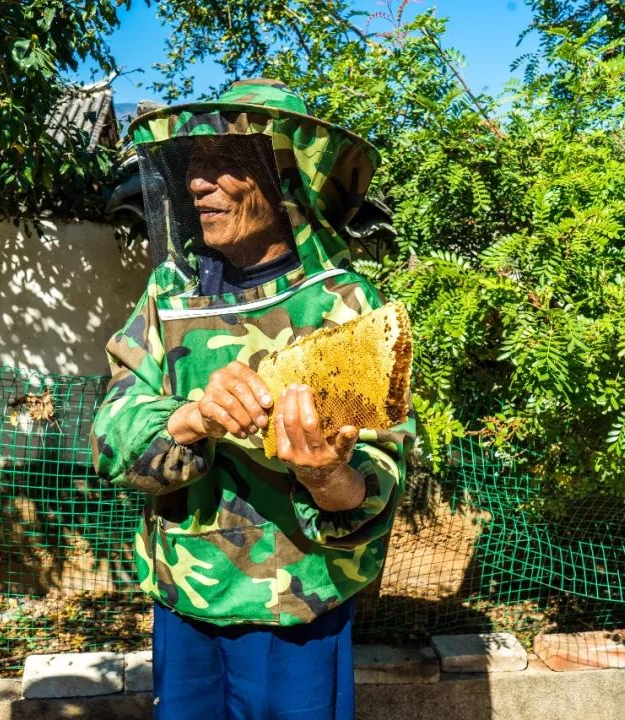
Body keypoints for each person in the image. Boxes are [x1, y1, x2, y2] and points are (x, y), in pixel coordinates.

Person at [90, 78, 413, 720]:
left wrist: (328, 475)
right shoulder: (167, 296)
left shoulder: (346, 306)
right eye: (191, 168)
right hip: (185, 602)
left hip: (296, 609)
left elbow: (383, 473)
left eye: (223, 165)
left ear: (284, 179)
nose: (195, 186)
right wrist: (191, 418)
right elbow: (110, 434)